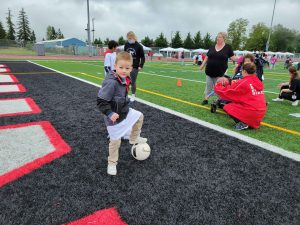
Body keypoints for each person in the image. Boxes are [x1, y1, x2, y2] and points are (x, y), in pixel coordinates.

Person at [97, 52, 148, 175]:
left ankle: (133, 138)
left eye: (127, 68)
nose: (124, 70)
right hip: (113, 117)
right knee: (115, 142)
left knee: (139, 116)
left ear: (131, 68)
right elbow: (101, 101)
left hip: (124, 111)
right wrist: (109, 113)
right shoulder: (111, 82)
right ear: (115, 66)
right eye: (121, 67)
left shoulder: (127, 78)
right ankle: (112, 163)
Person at [214, 63, 267, 130]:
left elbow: (227, 92)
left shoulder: (244, 82)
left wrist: (218, 86)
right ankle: (249, 122)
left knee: (227, 107)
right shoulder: (258, 81)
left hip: (253, 111)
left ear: (244, 71)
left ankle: (243, 123)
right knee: (238, 103)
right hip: (261, 112)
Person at [199, 32, 237, 105]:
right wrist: (202, 65)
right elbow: (207, 57)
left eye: (219, 37)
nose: (217, 38)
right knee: (208, 86)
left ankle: (219, 101)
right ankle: (206, 99)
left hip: (220, 72)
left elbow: (232, 57)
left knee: (219, 87)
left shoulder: (228, 47)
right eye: (217, 37)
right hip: (209, 71)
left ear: (224, 38)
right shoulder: (212, 47)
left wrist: (241, 59)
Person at [124, 31, 145, 102]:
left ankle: (133, 94)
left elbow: (142, 57)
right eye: (128, 38)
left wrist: (141, 66)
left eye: (131, 38)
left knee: (133, 81)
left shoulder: (139, 46)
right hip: (126, 66)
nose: (130, 39)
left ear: (134, 37)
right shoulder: (126, 44)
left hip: (135, 67)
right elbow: (125, 55)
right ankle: (125, 94)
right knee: (125, 80)